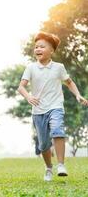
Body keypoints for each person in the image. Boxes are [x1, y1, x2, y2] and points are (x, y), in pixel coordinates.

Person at [17, 32, 88, 181]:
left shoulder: (58, 67)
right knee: (43, 145)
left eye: (42, 46)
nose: (38, 49)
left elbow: (69, 82)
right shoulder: (31, 67)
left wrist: (77, 95)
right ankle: (49, 167)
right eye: (36, 47)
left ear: (52, 51)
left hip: (56, 106)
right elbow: (21, 87)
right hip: (38, 110)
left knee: (58, 131)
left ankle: (61, 165)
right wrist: (29, 96)